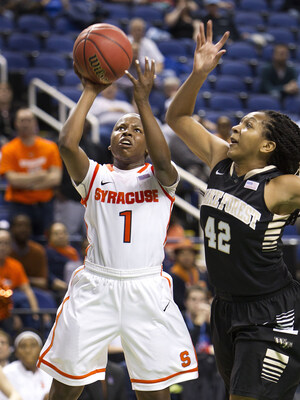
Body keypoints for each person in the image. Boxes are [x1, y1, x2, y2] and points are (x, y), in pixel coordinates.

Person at [37, 58, 198, 400]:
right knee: (64, 389)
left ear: (147, 144)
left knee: (155, 394)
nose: (127, 132)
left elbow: (164, 157)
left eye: (136, 130)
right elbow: (66, 144)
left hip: (146, 287)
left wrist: (142, 101)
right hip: (97, 286)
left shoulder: (161, 179)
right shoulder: (95, 175)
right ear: (109, 143)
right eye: (120, 129)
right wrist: (89, 92)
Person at [166, 20, 300, 400]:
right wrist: (198, 74)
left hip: (270, 311)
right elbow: (177, 118)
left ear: (269, 146)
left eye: (249, 125)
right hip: (224, 308)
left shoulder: (281, 185)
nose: (237, 128)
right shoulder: (219, 160)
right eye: (239, 122)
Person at [0, 107, 63, 237]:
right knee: (18, 242)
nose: (25, 124)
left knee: (46, 242)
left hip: (45, 206)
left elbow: (55, 178)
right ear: (16, 123)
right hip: (19, 206)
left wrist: (27, 184)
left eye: (29, 120)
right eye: (22, 120)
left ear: (35, 123)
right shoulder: (8, 149)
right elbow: (12, 180)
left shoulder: (50, 147)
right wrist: (40, 175)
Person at [0, 229, 40, 333]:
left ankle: (30, 334)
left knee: (21, 299)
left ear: (10, 247)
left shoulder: (15, 265)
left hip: (10, 307)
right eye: (0, 242)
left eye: (6, 243)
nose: (2, 247)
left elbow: (27, 290)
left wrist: (35, 313)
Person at [0, 330, 52, 400]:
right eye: (23, 346)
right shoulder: (6, 372)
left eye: (33, 345)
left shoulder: (49, 373)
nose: (28, 350)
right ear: (16, 352)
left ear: (41, 350)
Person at [10, 214, 48, 290]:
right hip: (9, 290)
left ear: (30, 229)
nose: (23, 229)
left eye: (26, 226)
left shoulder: (38, 251)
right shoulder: (5, 251)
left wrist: (21, 280)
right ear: (12, 229)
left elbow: (43, 282)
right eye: (19, 225)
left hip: (34, 290)